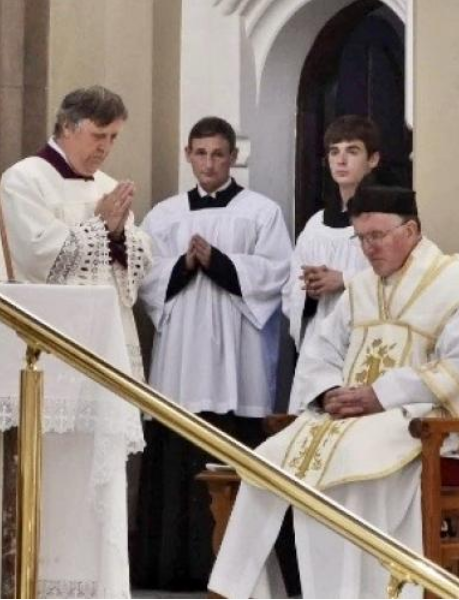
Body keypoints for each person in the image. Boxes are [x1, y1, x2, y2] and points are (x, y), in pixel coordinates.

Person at [208, 185, 459, 599]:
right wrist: (328, 393)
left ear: (411, 230)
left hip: (435, 423)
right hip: (357, 418)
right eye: (361, 238)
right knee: (268, 460)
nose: (368, 249)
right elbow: (321, 348)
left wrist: (381, 395)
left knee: (356, 460)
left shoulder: (456, 285)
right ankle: (239, 590)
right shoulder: (361, 289)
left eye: (377, 236)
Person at [0, 85, 152, 597]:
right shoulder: (25, 180)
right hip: (51, 351)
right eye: (98, 134)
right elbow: (38, 257)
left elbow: (136, 267)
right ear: (67, 127)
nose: (106, 146)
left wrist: (116, 233)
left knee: (101, 475)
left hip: (103, 349)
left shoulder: (107, 186)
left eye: (113, 137)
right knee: (53, 471)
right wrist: (99, 225)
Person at [134, 116, 292, 590]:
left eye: (218, 154)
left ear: (233, 157)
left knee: (234, 446)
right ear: (188, 155)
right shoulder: (164, 215)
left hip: (237, 364)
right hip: (180, 356)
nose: (209, 163)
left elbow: (277, 274)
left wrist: (220, 263)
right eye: (200, 154)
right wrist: (183, 264)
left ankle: (237, 573)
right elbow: (144, 277)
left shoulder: (261, 212)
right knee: (176, 451)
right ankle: (169, 566)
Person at [283, 115, 381, 353]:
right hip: (319, 345)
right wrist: (309, 289)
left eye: (353, 151)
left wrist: (344, 280)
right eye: (334, 152)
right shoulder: (316, 225)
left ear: (373, 159)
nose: (341, 160)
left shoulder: (387, 219)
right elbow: (290, 291)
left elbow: (401, 281)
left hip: (368, 343)